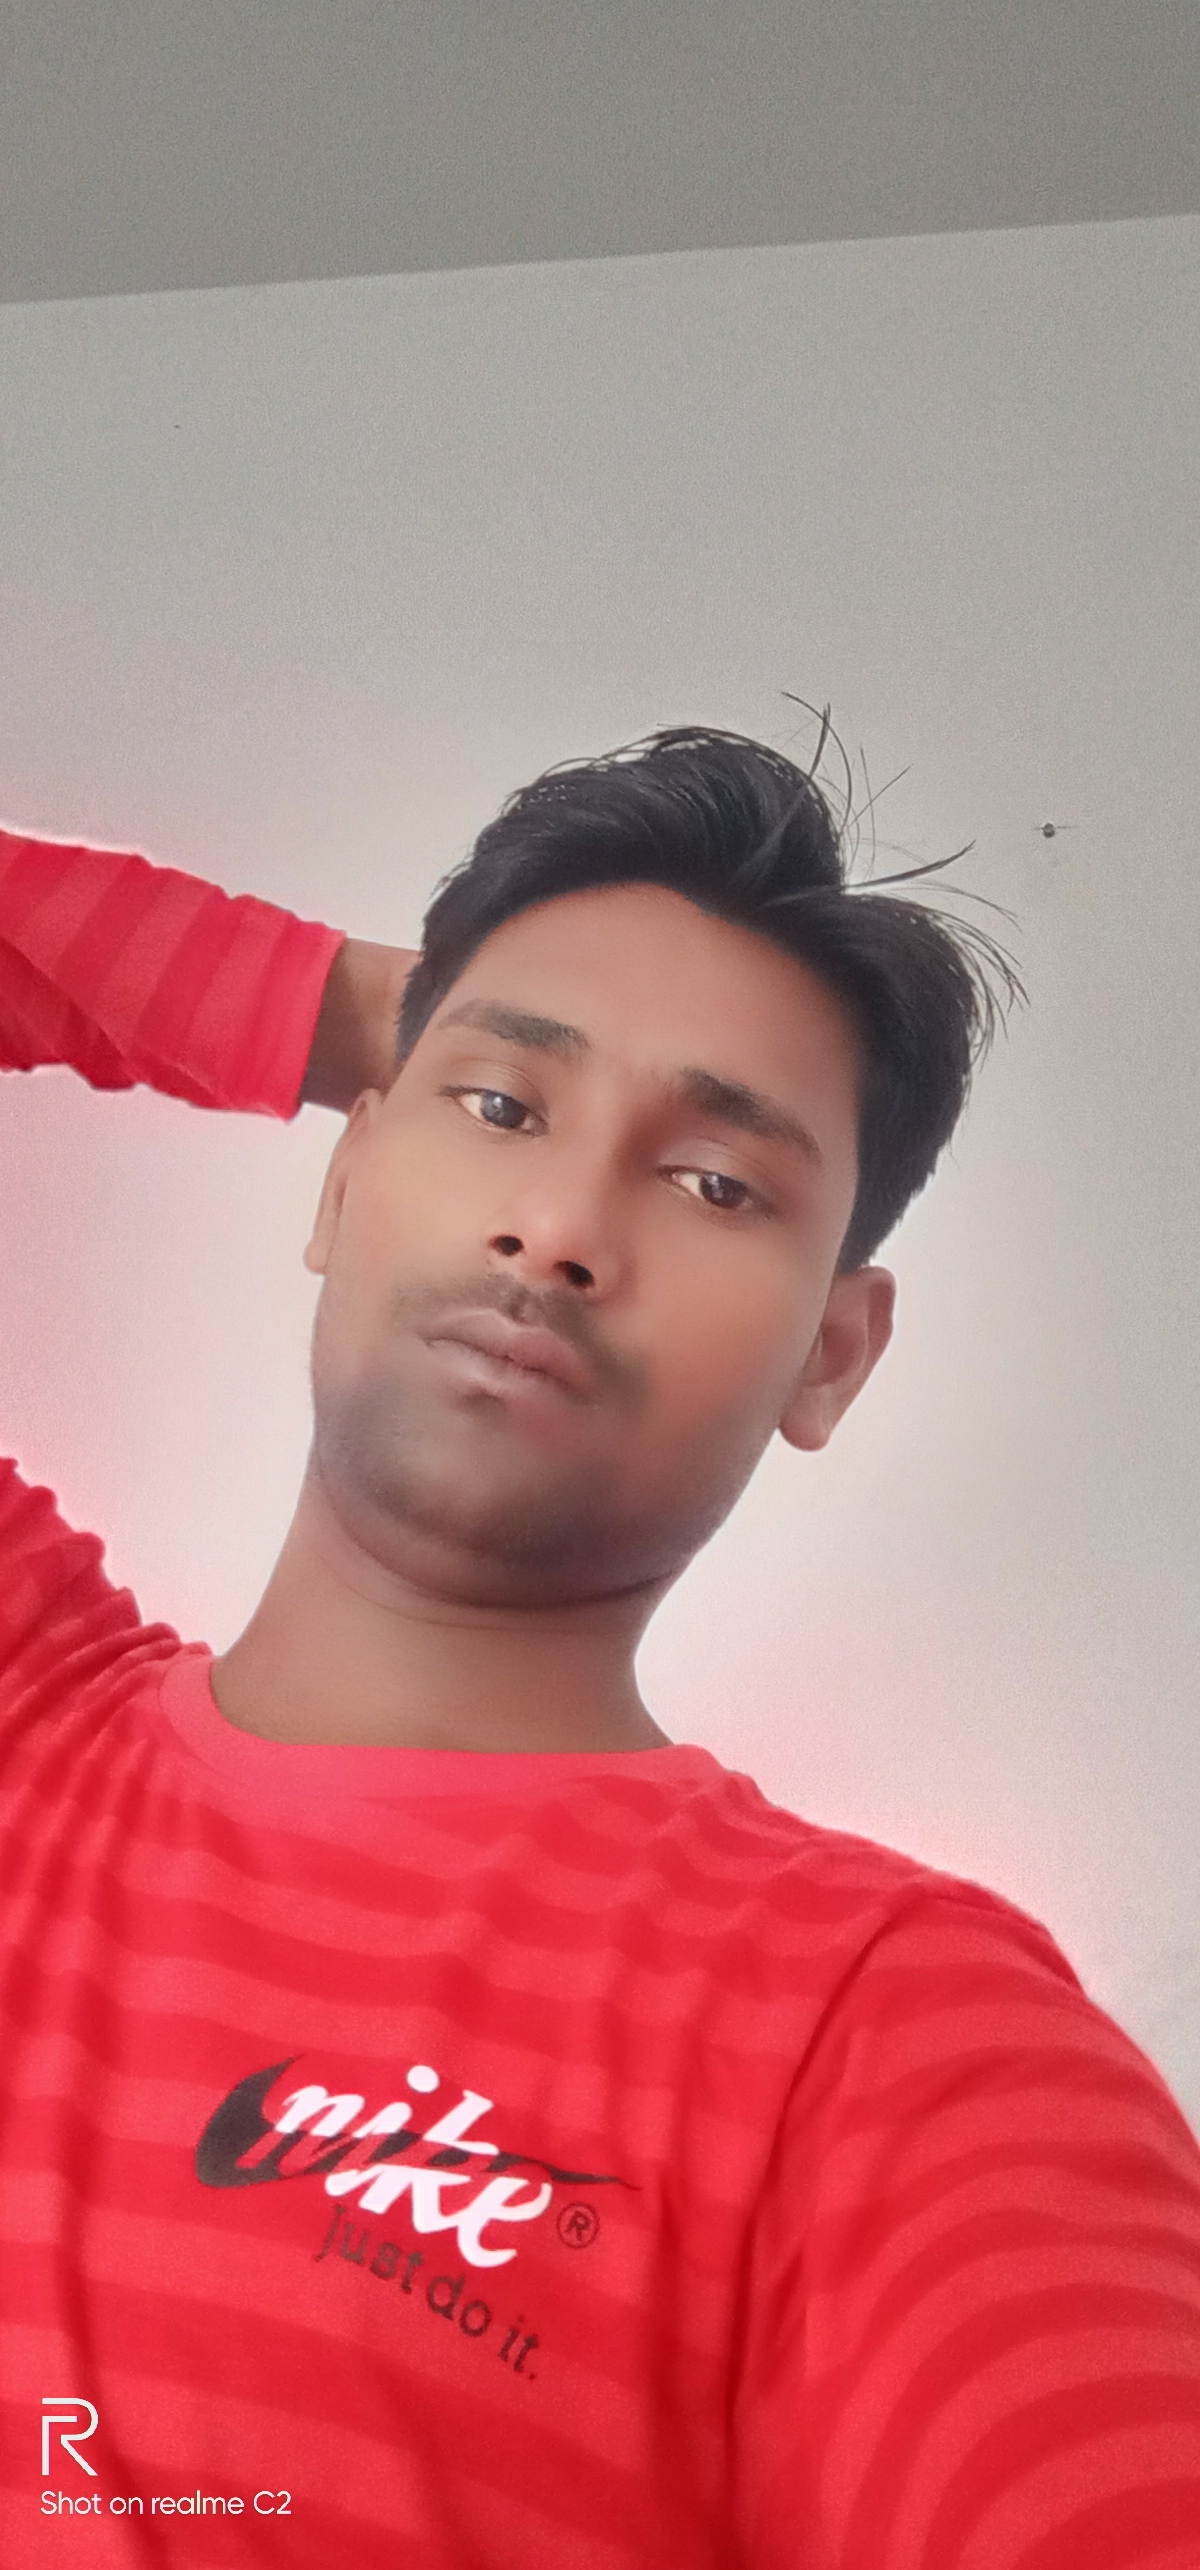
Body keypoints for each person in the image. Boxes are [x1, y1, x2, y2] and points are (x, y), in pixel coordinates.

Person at [1, 721, 1198, 2569]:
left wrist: (487, 1061)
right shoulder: (24, 1714)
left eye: (714, 1181)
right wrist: (348, 1015)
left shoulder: (896, 2052)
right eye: (501, 1115)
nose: (556, 1228)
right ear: (341, 1182)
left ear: (830, 1358)